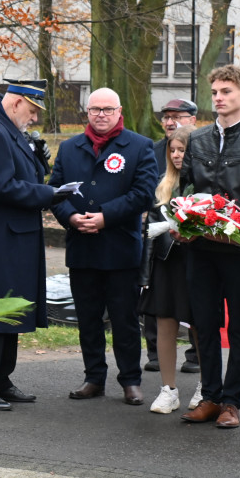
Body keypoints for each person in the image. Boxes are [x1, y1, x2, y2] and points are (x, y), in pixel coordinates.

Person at [179, 65, 240, 428]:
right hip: (201, 247)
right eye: (216, 92)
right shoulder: (199, 138)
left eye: (226, 91)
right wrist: (185, 221)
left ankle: (231, 402)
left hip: (238, 249)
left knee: (239, 325)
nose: (219, 98)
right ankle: (209, 395)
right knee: (204, 323)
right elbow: (186, 190)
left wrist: (238, 229)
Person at [50, 87, 156, 405]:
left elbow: (144, 192)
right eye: (95, 109)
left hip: (120, 248)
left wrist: (104, 217)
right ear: (87, 112)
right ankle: (93, 377)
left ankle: (130, 381)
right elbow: (55, 191)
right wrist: (71, 218)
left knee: (124, 320)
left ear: (119, 111)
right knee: (88, 319)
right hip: (82, 247)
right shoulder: (69, 148)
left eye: (108, 110)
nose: (101, 115)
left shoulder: (139, 147)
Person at [0, 80, 59, 411]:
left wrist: (38, 158)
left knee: (13, 306)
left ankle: (1, 378)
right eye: (32, 111)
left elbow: (25, 174)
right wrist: (50, 195)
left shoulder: (5, 128)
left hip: (11, 233)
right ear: (16, 102)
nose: (34, 118)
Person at [141, 125, 202, 413]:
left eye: (182, 150)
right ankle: (169, 389)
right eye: (173, 150)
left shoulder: (205, 183)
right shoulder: (163, 184)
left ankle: (207, 385)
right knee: (165, 321)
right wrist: (145, 274)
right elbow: (150, 233)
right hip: (167, 262)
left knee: (200, 325)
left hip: (198, 262)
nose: (176, 155)